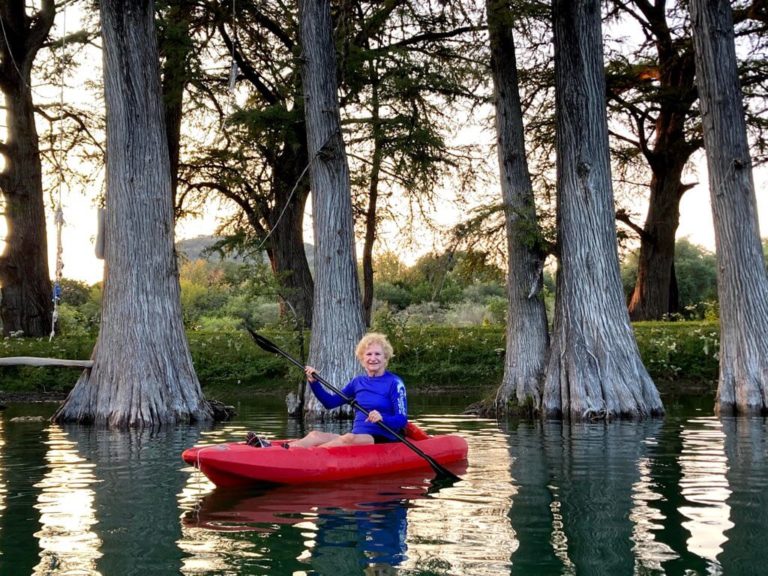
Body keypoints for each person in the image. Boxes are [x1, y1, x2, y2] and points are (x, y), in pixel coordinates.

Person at [289, 332, 407, 448]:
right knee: (315, 435)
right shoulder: (357, 382)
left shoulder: (395, 383)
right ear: (362, 358)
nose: (373, 358)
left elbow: (401, 420)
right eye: (369, 354)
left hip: (384, 437)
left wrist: (382, 418)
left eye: (378, 354)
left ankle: (310, 457)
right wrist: (314, 382)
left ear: (385, 357)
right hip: (356, 437)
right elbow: (330, 402)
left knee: (348, 438)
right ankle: (285, 450)